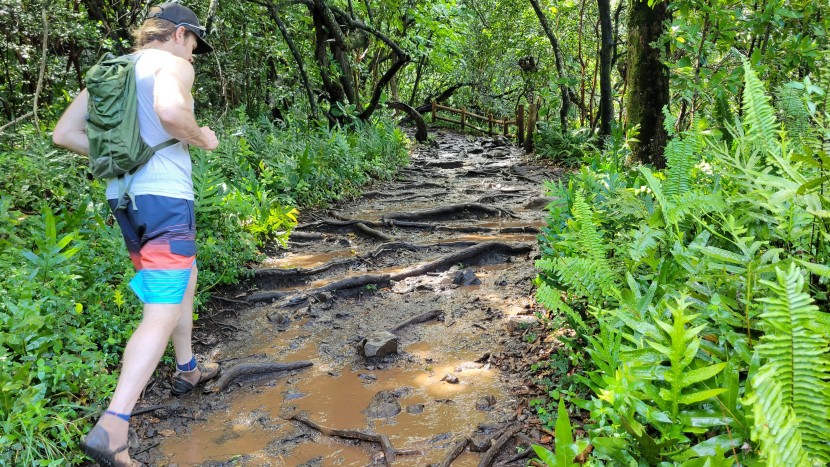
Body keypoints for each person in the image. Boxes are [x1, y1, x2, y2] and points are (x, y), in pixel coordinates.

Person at [53, 4, 220, 465]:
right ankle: (113, 425)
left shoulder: (113, 73)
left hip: (125, 201)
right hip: (165, 200)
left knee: (183, 277)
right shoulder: (173, 65)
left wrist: (124, 157)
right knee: (161, 307)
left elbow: (63, 134)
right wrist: (203, 136)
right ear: (180, 35)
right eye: (193, 45)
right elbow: (170, 113)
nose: (193, 56)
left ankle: (187, 369)